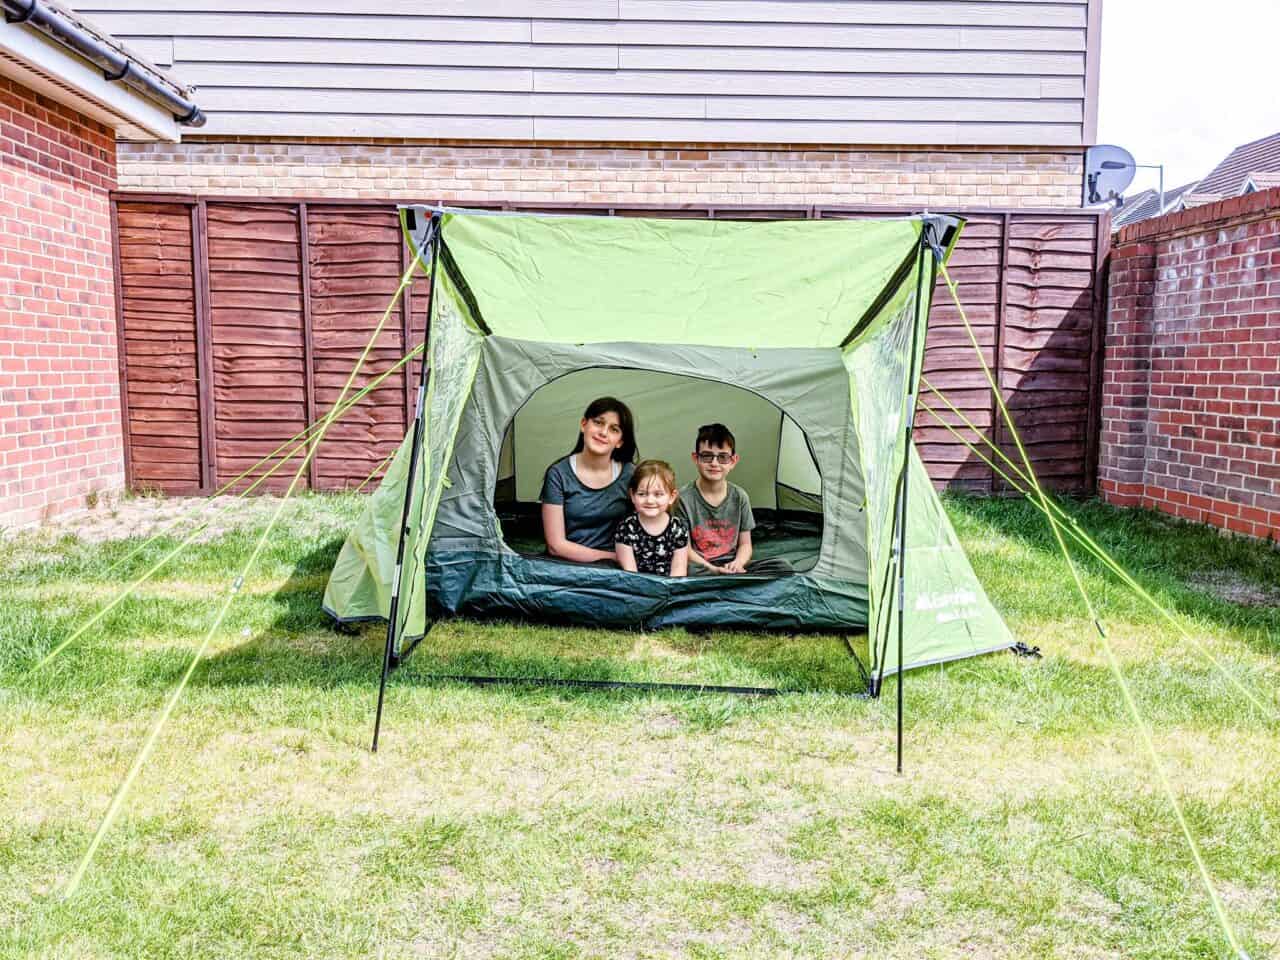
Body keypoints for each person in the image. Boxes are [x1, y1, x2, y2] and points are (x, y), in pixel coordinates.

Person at [677, 422, 791, 576]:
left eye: (723, 457)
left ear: (733, 461)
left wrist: (738, 563)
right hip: (701, 567)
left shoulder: (739, 497)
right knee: (682, 570)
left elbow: (745, 544)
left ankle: (726, 582)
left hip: (732, 564)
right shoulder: (683, 499)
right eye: (706, 456)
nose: (714, 463)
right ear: (695, 458)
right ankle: (729, 584)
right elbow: (686, 550)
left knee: (782, 566)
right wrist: (712, 569)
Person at [540, 396, 637, 563]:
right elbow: (555, 546)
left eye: (614, 429)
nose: (603, 432)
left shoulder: (630, 474)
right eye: (598, 423)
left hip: (617, 570)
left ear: (620, 441)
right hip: (567, 566)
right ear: (583, 425)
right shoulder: (558, 474)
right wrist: (613, 557)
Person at [614, 460, 689, 577]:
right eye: (642, 494)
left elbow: (679, 571)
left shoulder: (677, 529)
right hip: (635, 589)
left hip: (668, 590)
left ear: (672, 497)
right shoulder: (626, 528)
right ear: (632, 495)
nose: (650, 500)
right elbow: (630, 574)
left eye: (658, 494)